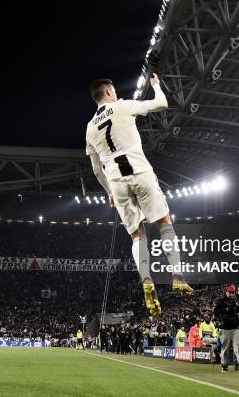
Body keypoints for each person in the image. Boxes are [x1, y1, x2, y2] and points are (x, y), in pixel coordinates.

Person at [86, 73, 193, 317]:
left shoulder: (90, 128)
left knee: (137, 235)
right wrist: (156, 86)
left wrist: (110, 192)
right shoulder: (122, 106)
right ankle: (177, 276)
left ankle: (146, 279)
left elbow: (95, 169)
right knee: (164, 222)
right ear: (109, 92)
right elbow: (161, 104)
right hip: (139, 171)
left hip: (116, 180)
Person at [213, 284, 239, 374]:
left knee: (238, 346)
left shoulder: (237, 301)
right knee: (225, 348)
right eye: (230, 292)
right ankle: (224, 365)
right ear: (226, 292)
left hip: (236, 328)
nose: (232, 294)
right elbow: (216, 312)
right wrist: (223, 316)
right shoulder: (221, 302)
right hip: (224, 328)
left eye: (233, 292)